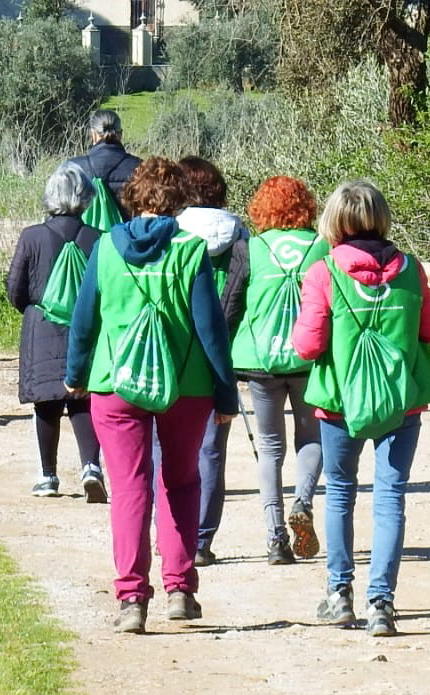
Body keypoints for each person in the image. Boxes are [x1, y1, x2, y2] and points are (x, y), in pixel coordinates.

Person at [62, 156, 237, 634]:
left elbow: (84, 319)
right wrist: (226, 395)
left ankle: (132, 599)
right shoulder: (190, 250)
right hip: (188, 386)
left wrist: (75, 374)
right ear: (178, 200)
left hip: (115, 384)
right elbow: (210, 330)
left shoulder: (105, 249)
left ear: (131, 197)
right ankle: (180, 589)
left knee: (129, 488)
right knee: (180, 482)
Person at [295, 179, 430, 639]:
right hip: (403, 401)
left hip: (341, 401)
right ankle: (382, 603)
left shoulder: (323, 272)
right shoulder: (410, 270)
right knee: (390, 496)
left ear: (335, 220)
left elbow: (307, 345)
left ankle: (339, 595)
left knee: (340, 492)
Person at [231, 176, 330, 566]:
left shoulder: (251, 249)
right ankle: (302, 500)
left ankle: (275, 538)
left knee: (270, 450)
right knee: (312, 437)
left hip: (261, 363)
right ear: (306, 207)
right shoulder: (321, 247)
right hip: (309, 359)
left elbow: (232, 303)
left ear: (261, 210)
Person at [6, 165, 104, 500]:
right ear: (85, 198)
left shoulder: (32, 236)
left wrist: (34, 311)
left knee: (46, 403)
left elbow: (15, 289)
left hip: (42, 327)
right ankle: (91, 466)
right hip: (86, 330)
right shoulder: (97, 239)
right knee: (83, 401)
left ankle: (48, 476)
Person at [176, 155, 250, 566]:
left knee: (165, 445)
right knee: (211, 450)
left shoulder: (174, 236)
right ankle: (201, 540)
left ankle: (169, 531)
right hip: (224, 348)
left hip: (179, 346)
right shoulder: (241, 238)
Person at [63, 109, 141, 214]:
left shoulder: (73, 167)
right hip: (128, 229)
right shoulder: (140, 167)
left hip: (84, 230)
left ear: (92, 134)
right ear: (120, 134)